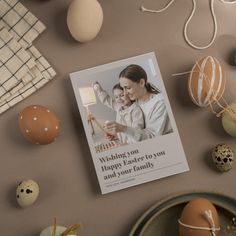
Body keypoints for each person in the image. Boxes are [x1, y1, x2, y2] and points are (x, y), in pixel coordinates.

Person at [104, 64, 172, 141]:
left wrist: (123, 129)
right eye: (123, 88)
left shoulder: (160, 103)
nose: (125, 93)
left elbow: (152, 136)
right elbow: (134, 131)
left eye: (128, 88)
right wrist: (118, 136)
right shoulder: (134, 101)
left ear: (141, 83)